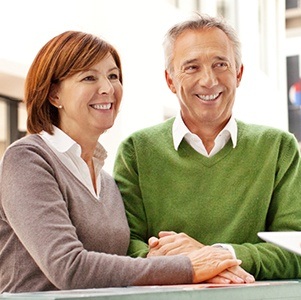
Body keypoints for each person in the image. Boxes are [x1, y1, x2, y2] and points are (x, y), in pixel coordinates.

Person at [0, 30, 244, 294]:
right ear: (54, 95)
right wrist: (189, 266)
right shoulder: (27, 159)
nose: (107, 88)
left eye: (113, 76)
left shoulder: (105, 180)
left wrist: (175, 258)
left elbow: (117, 266)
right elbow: (69, 267)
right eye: (89, 77)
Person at [113, 13, 301, 282]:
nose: (209, 80)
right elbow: (128, 248)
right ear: (170, 80)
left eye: (220, 64)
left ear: (239, 73)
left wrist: (215, 255)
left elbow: (295, 251)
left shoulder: (279, 148)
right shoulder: (136, 151)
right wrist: (195, 267)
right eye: (191, 67)